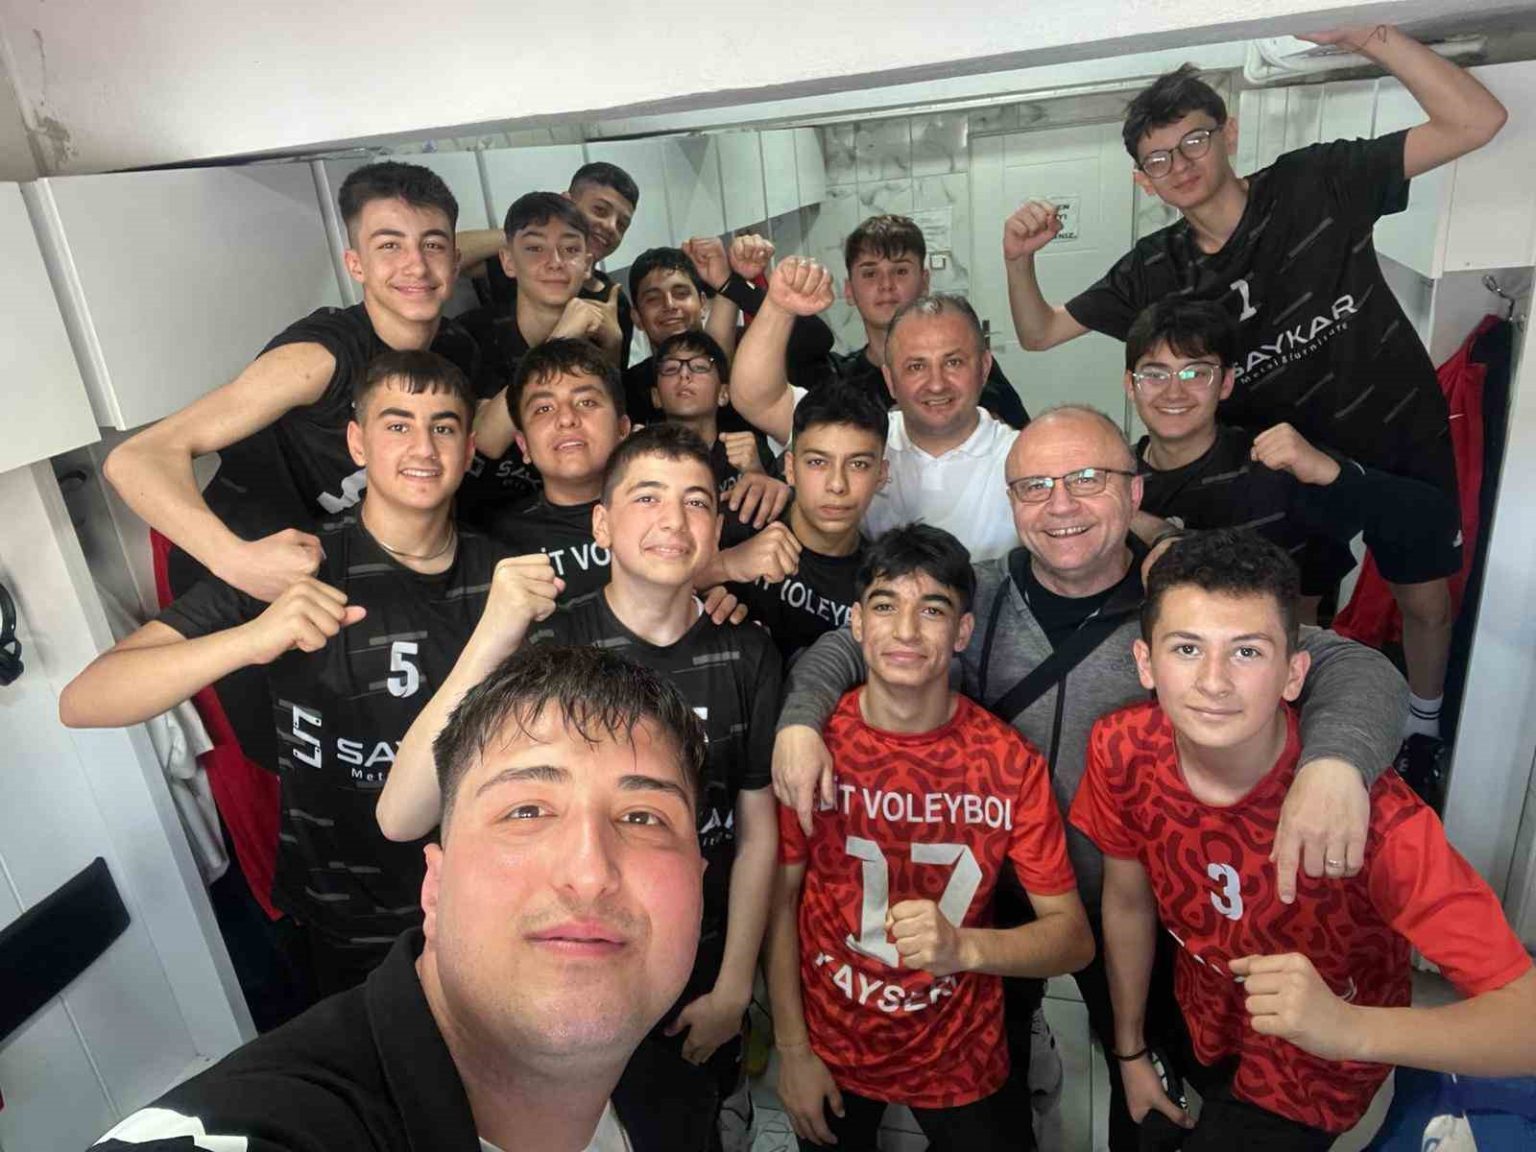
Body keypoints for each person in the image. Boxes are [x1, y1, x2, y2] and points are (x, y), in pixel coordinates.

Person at [771, 405, 1410, 1151]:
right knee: (993, 1080)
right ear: (1012, 502)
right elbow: (852, 643)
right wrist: (800, 720)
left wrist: (1334, 764)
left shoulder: (1185, 606)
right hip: (996, 899)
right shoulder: (978, 594)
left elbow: (1352, 667)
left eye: (1086, 479)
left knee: (1150, 1103)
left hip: (1139, 902)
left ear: (1135, 492)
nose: (1061, 505)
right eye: (1036, 486)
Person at [1004, 24, 1509, 743]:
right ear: (1143, 179)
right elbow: (1039, 333)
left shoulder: (1315, 184)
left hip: (1394, 432)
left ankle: (1422, 734)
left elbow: (1475, 121)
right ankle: (1294, 734)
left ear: (1228, 133)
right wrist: (1018, 259)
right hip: (1278, 467)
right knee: (1290, 608)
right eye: (1159, 157)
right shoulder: (1155, 267)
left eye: (1194, 140)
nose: (1180, 164)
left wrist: (1368, 33)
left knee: (1423, 601)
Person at [91, 643, 709, 1152]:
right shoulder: (255, 1128)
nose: (590, 871)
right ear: (434, 887)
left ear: (701, 882)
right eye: (526, 810)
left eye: (644, 818)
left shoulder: (680, 1104)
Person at [379, 423, 783, 1152]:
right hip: (567, 957)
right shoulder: (548, 643)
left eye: (696, 501)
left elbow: (757, 836)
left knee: (698, 1121)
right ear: (602, 524)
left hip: (695, 963)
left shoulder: (747, 649)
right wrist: (495, 632)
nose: (673, 520)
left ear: (717, 527)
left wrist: (733, 989)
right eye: (647, 497)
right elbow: (401, 815)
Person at [1071, 529, 1536, 1148]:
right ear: (1145, 663)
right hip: (1199, 1019)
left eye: (1246, 652)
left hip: (1313, 1070)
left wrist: (1348, 1028)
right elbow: (1128, 901)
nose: (1213, 681)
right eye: (1186, 648)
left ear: (1294, 674)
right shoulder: (1122, 748)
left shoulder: (1377, 822)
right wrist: (1130, 1049)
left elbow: (1526, 1022)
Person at [63, 351, 505, 996]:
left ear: (468, 449)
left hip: (481, 897)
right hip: (339, 914)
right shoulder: (291, 565)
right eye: (397, 424)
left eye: (443, 427)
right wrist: (251, 640)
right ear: (357, 442)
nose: (422, 447)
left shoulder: (507, 578)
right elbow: (85, 699)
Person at [767, 524, 1094, 1151]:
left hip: (960, 1051)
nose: (907, 631)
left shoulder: (1009, 763)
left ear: (963, 632)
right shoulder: (811, 751)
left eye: (933, 610)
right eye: (885, 606)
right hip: (831, 1043)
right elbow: (779, 904)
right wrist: (793, 1050)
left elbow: (1073, 940)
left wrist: (965, 948)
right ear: (856, 623)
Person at [104, 161, 478, 603]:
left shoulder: (456, 351)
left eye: (432, 245)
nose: (415, 266)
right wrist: (236, 560)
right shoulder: (318, 358)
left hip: (335, 572)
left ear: (455, 262)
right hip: (240, 576)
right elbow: (135, 459)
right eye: (389, 246)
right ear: (356, 265)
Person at [1126, 299, 1461, 631]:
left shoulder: (1275, 465)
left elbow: (1429, 517)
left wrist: (1331, 474)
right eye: (1155, 374)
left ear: (1225, 382)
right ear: (1130, 384)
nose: (1174, 392)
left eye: (1196, 373)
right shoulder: (1111, 477)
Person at [732, 258, 1022, 561]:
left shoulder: (1021, 457)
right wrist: (778, 308)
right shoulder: (858, 439)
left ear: (984, 368)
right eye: (916, 366)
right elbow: (757, 399)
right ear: (890, 380)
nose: (936, 384)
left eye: (953, 362)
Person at [485, 338, 794, 606]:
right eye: (543, 408)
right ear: (523, 445)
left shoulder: (689, 512)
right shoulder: (498, 544)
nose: (566, 419)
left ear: (623, 428)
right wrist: (713, 571)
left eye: (586, 401)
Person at [458, 192, 623, 523]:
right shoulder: (472, 335)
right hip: (482, 526)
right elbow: (487, 439)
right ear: (507, 261)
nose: (555, 262)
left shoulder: (601, 331)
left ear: (587, 264)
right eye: (535, 248)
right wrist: (562, 336)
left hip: (573, 520)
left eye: (571, 249)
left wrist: (614, 346)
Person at [727, 384, 888, 667]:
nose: (837, 484)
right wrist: (723, 565)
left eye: (858, 464)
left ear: (881, 475)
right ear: (790, 468)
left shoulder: (881, 584)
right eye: (817, 462)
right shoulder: (743, 518)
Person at [458, 161, 640, 365]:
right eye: (600, 210)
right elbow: (449, 258)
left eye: (622, 224)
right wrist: (535, 227)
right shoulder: (525, 266)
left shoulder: (614, 303)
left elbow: (615, 377)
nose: (610, 226)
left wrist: (613, 345)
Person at [650, 329, 777, 498]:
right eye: (671, 368)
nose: (684, 375)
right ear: (656, 397)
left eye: (699, 367)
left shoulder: (751, 452)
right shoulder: (640, 457)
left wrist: (757, 474)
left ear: (723, 394)